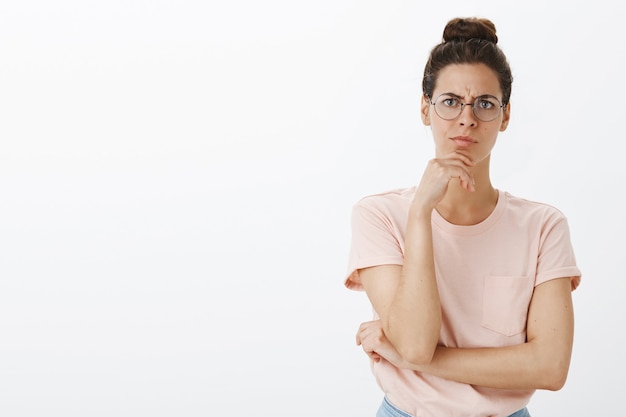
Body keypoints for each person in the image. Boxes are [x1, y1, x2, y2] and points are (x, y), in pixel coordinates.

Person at [343, 17, 582, 417]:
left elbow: (551, 367)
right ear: (425, 109)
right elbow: (416, 341)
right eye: (450, 101)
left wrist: (418, 362)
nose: (467, 118)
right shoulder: (379, 216)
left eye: (485, 104)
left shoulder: (543, 227)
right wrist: (420, 212)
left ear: (505, 117)